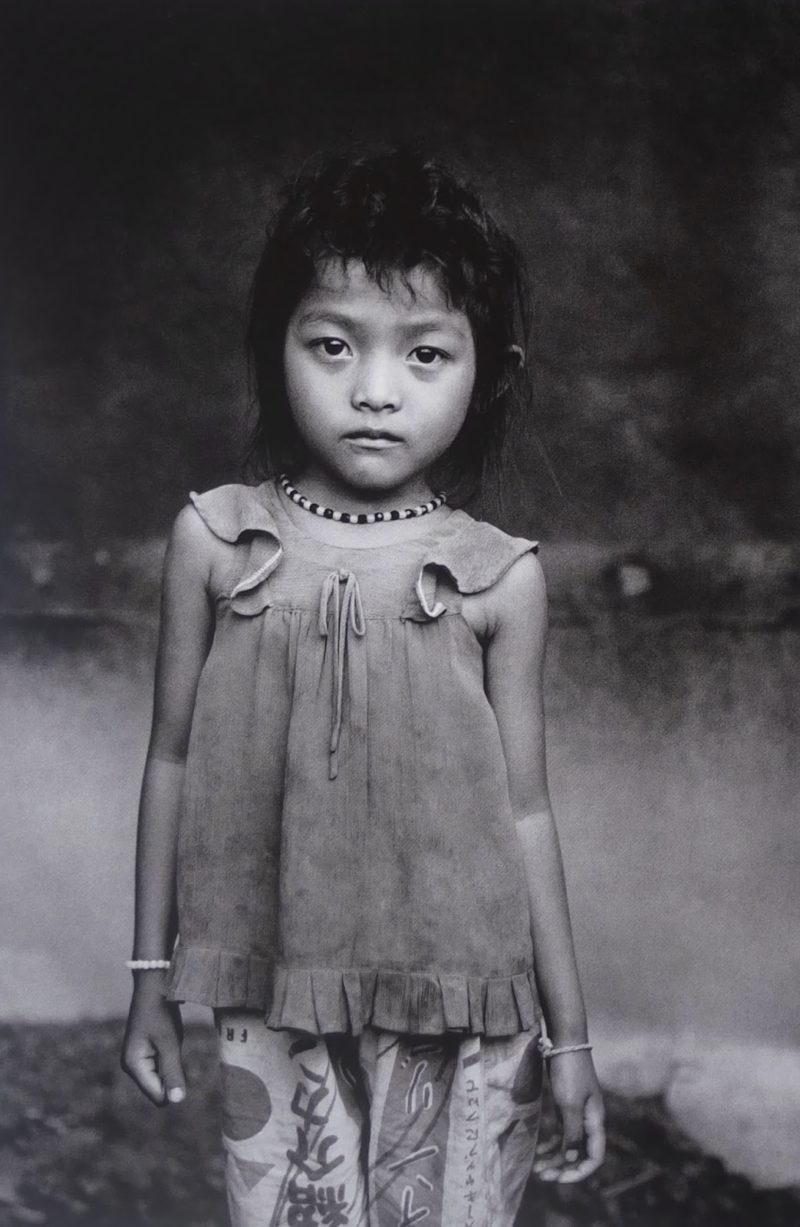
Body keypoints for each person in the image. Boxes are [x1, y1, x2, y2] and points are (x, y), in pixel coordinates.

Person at [121, 149, 605, 1227]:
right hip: (266, 991)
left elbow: (525, 814)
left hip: (463, 1008)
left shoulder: (495, 576)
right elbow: (169, 758)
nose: (374, 389)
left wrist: (569, 1040)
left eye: (424, 353)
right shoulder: (215, 540)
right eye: (332, 345)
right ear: (273, 348)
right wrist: (150, 974)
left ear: (490, 370)